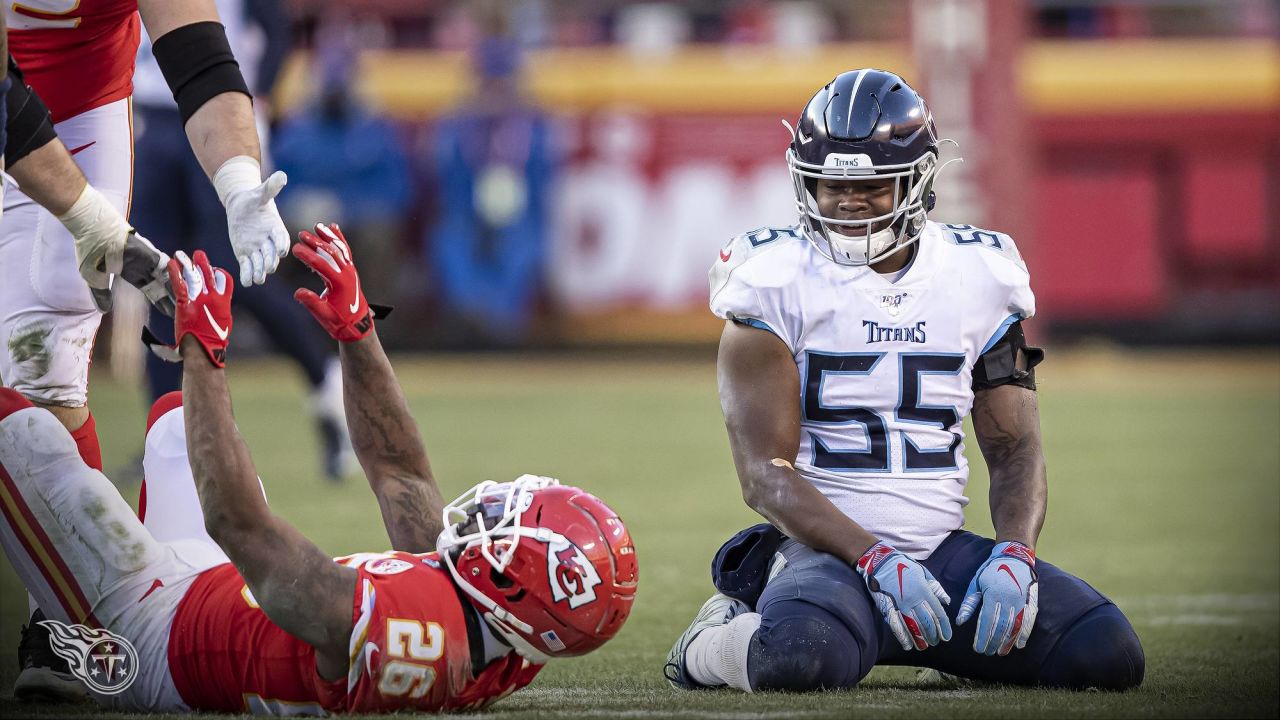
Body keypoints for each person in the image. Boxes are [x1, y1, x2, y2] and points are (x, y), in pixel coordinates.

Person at [0, 223, 639, 712]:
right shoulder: (505, 633)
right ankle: (64, 623)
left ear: (513, 583)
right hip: (211, 586)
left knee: (20, 433)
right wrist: (359, 333)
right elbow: (402, 476)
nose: (492, 507)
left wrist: (204, 351)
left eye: (507, 523)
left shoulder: (399, 632)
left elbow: (241, 525)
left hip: (157, 633)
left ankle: (74, 639)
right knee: (174, 422)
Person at [663, 69, 1144, 693]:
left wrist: (1016, 555)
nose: (846, 201)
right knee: (801, 661)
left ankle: (955, 649)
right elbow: (765, 475)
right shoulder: (772, 278)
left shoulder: (980, 272)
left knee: (1105, 654)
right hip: (826, 556)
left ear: (918, 179)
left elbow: (1015, 447)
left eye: (870, 184)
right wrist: (874, 558)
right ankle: (715, 640)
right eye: (829, 184)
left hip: (938, 552)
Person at [4, 0, 290, 698]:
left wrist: (240, 183)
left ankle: (69, 628)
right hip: (19, 113)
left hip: (80, 112)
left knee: (45, 360)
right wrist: (87, 216)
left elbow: (201, 62)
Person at [130, 0, 355, 481]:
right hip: (150, 113)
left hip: (214, 110)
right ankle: (166, 436)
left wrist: (261, 99)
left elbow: (276, 28)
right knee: (161, 281)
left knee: (234, 276)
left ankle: (326, 382)